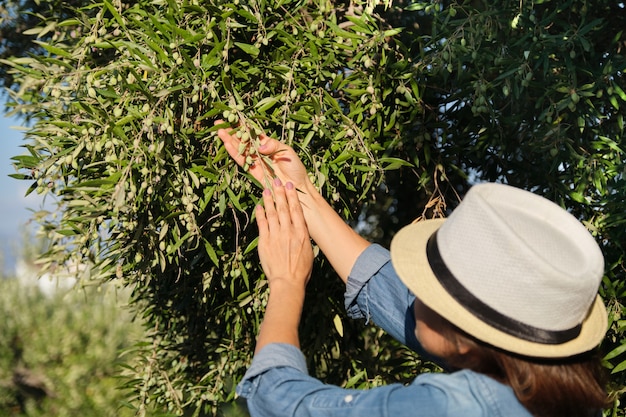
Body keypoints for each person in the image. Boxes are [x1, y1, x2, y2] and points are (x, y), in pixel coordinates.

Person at [217, 125, 610, 417]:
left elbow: (284, 403)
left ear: (467, 341)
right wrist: (301, 195)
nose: (414, 286)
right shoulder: (553, 391)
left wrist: (286, 284)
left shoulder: (444, 409)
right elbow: (393, 293)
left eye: (428, 286)